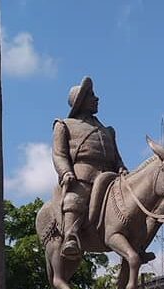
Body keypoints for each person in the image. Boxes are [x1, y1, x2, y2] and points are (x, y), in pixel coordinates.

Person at [52, 76, 128, 259]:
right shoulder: (64, 125)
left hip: (112, 177)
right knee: (74, 200)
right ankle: (71, 237)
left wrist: (121, 167)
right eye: (92, 95)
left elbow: (116, 156)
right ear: (81, 101)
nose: (97, 99)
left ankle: (136, 241)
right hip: (83, 176)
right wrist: (66, 172)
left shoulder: (106, 130)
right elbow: (59, 154)